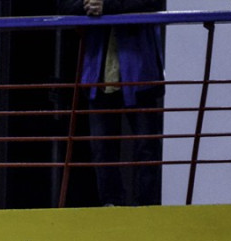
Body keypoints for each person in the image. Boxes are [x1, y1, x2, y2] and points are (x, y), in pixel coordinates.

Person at [57, 0, 164, 207]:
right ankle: (111, 204)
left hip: (140, 72)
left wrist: (108, 6)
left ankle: (148, 208)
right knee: (102, 148)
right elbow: (64, 5)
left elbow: (154, 1)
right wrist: (88, 6)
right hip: (99, 73)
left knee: (147, 147)